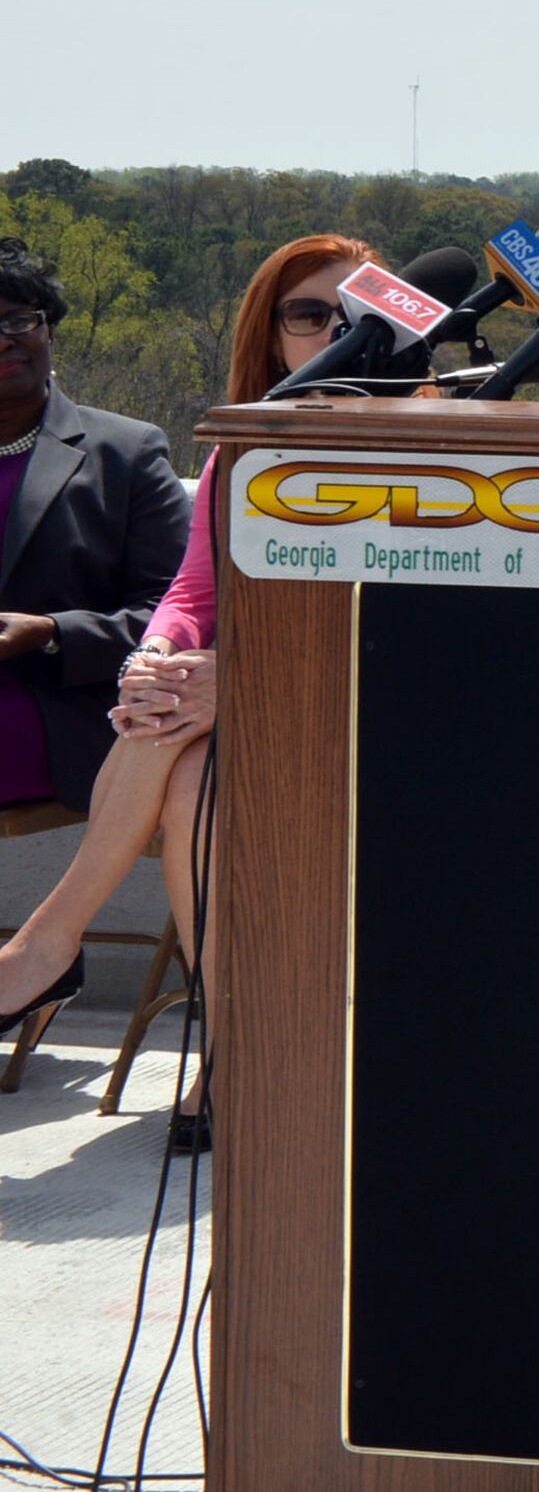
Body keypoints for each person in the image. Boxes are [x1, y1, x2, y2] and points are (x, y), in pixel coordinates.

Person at [0, 233, 221, 1125]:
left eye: (19, 319)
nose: (6, 338)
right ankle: (50, 960)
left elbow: (169, 606)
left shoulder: (125, 450)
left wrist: (49, 632)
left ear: (51, 328)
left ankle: (43, 954)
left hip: (78, 706)